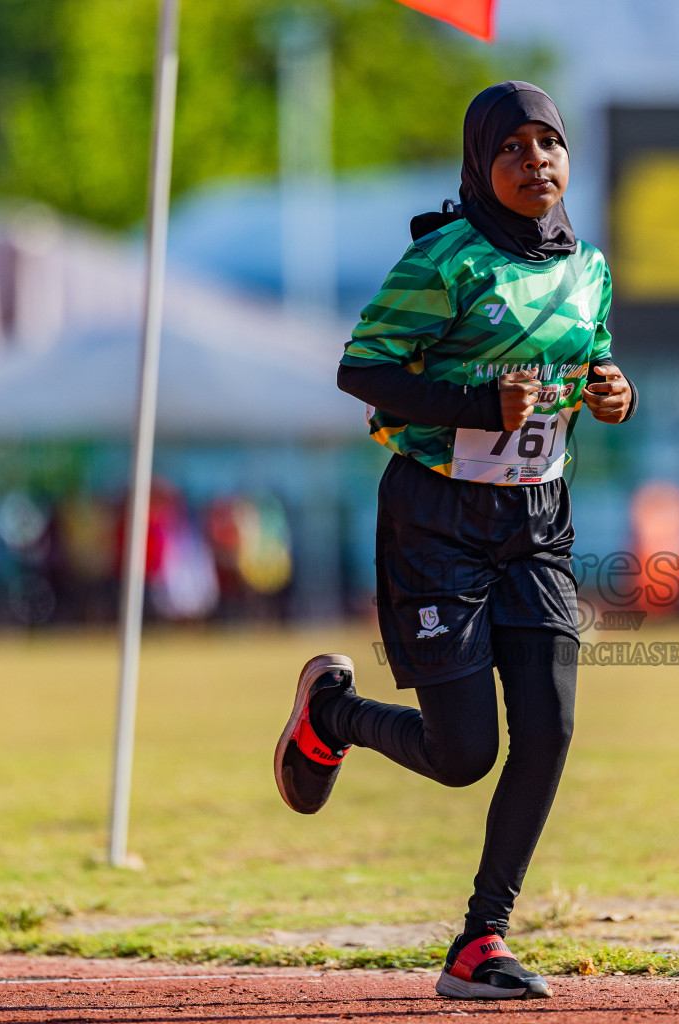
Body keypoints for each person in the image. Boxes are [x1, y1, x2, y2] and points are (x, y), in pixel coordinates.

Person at [273, 81, 636, 1001]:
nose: (534, 162)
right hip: (438, 520)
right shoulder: (446, 261)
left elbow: (589, 355)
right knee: (464, 753)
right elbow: (363, 369)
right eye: (510, 149)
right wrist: (477, 404)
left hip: (538, 523)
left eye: (547, 143)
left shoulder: (588, 266)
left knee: (549, 729)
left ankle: (482, 938)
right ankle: (334, 716)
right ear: (481, 165)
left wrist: (613, 391)